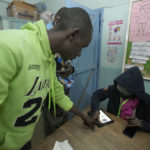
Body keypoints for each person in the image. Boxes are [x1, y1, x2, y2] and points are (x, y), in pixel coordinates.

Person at [0, 7, 95, 150]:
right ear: (72, 35)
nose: (80, 54)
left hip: (24, 141)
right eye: (82, 47)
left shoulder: (48, 58)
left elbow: (58, 95)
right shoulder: (9, 46)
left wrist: (83, 116)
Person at [90, 66, 150, 132]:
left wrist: (142, 124)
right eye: (120, 91)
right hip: (111, 126)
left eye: (124, 93)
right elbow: (96, 95)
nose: (121, 94)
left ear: (134, 92)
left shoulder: (146, 100)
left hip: (130, 130)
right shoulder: (114, 89)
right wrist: (95, 109)